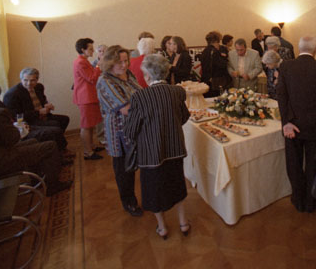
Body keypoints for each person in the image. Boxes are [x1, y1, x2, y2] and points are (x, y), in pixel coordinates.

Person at [124, 55, 191, 239]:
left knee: (153, 190)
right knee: (177, 184)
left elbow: (131, 130)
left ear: (147, 75)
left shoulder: (140, 97)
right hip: (175, 148)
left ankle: (162, 227)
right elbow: (184, 117)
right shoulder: (177, 91)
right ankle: (183, 223)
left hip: (151, 153)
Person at [276, 36, 316, 213]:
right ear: (315, 50)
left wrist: (286, 122)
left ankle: (297, 198)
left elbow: (282, 96)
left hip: (292, 124)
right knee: (312, 164)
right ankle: (311, 201)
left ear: (298, 48)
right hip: (315, 125)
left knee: (293, 163)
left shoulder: (286, 66)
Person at [96, 45, 143, 216]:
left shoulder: (128, 74)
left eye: (126, 61)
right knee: (124, 170)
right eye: (119, 62)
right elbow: (125, 109)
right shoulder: (105, 81)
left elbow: (139, 93)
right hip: (119, 132)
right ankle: (129, 202)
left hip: (135, 127)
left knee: (136, 165)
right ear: (110, 62)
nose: (124, 65)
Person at [3, 67, 70, 152]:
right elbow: (16, 116)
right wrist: (38, 112)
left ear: (37, 80)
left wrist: (47, 105)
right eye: (25, 80)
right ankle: (61, 149)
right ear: (21, 79)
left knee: (64, 119)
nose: (29, 83)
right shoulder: (13, 94)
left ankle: (55, 144)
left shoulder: (39, 87)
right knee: (55, 125)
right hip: (28, 121)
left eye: (32, 80)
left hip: (41, 116)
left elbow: (43, 100)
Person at [73, 38, 104, 160]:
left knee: (90, 124)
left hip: (90, 96)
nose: (93, 51)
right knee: (86, 125)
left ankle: (91, 146)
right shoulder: (80, 62)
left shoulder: (84, 61)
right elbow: (91, 78)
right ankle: (87, 152)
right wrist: (99, 65)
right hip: (85, 97)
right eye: (90, 49)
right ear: (83, 49)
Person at [200, 31, 231, 97]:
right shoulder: (215, 51)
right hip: (215, 82)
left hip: (206, 80)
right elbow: (222, 65)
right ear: (216, 41)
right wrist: (225, 58)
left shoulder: (205, 51)